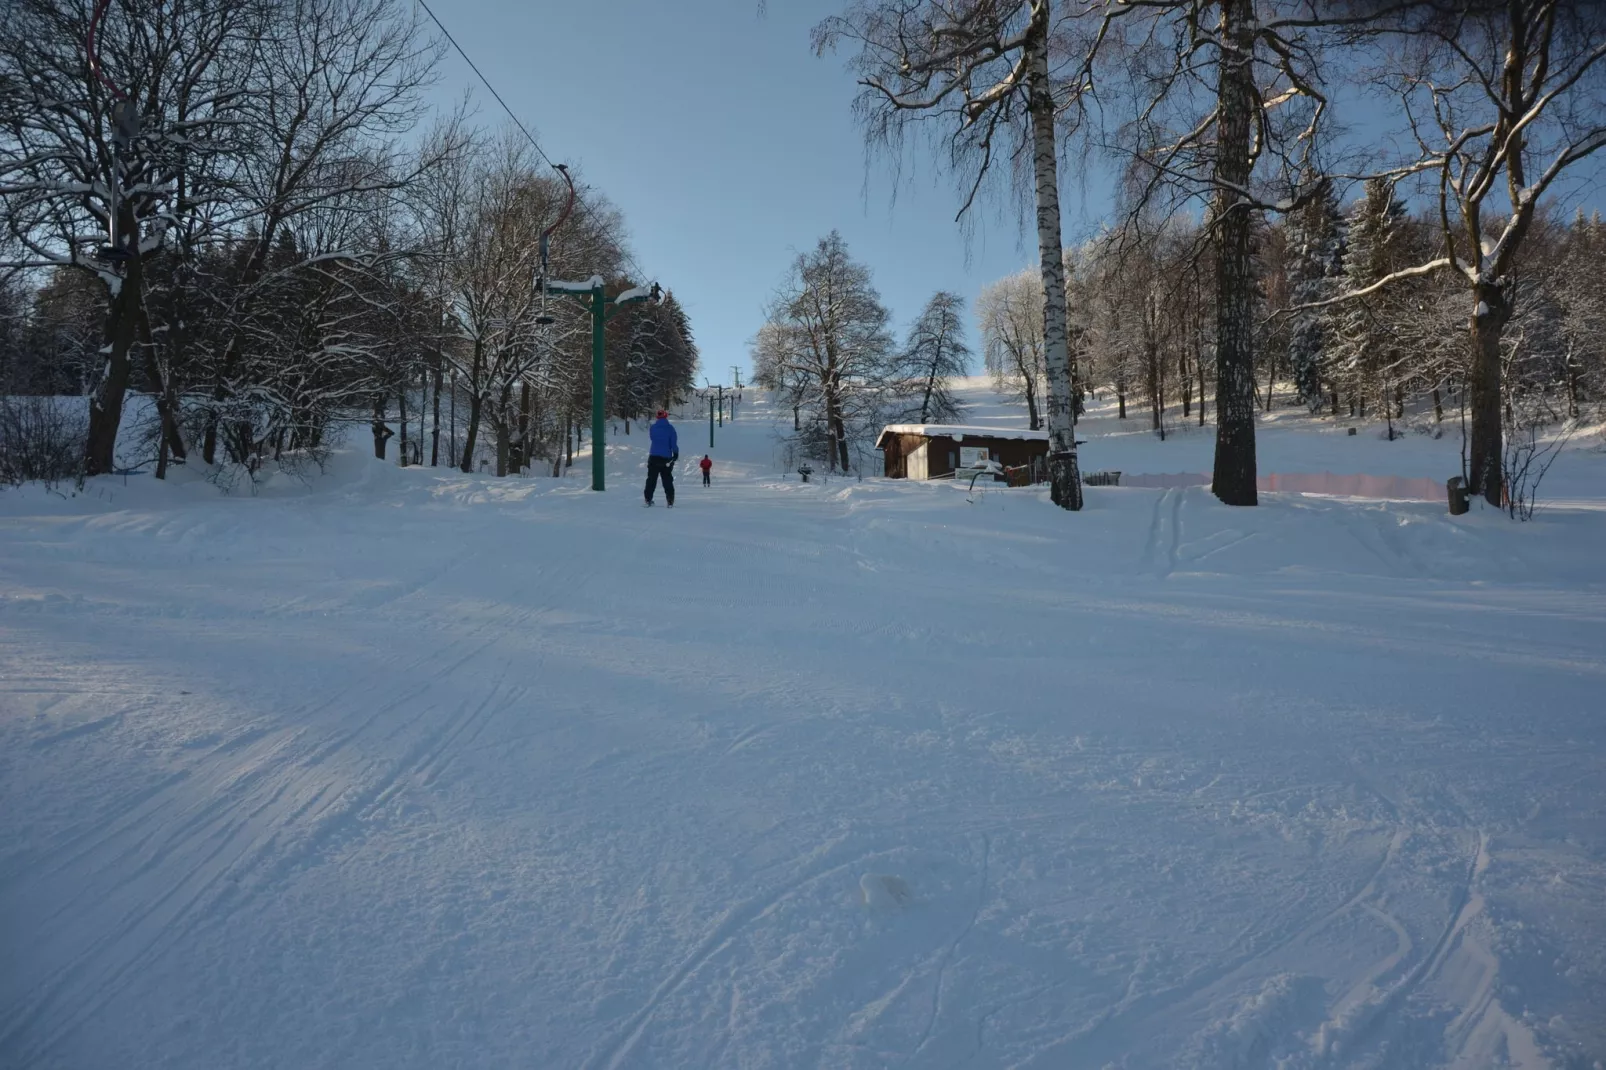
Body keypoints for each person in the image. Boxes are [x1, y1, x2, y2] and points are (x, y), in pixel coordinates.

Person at [645, 409, 677, 507]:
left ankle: (648, 499)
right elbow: (673, 443)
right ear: (666, 416)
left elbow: (652, 438)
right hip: (666, 458)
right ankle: (670, 500)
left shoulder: (653, 428)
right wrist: (675, 453)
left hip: (653, 457)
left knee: (651, 479)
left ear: (657, 417)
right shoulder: (670, 428)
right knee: (667, 479)